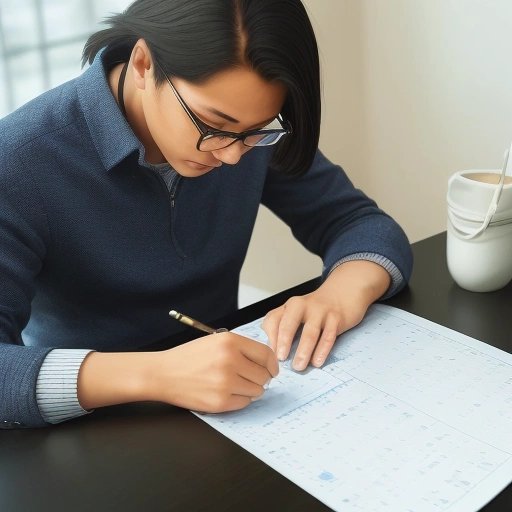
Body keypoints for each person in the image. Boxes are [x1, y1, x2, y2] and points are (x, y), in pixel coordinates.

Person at [0, 0, 412, 429]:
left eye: (257, 131)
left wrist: (340, 293)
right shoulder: (18, 162)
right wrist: (154, 373)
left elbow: (360, 223)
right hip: (89, 429)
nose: (234, 156)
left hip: (228, 406)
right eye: (212, 123)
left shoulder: (243, 129)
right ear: (143, 63)